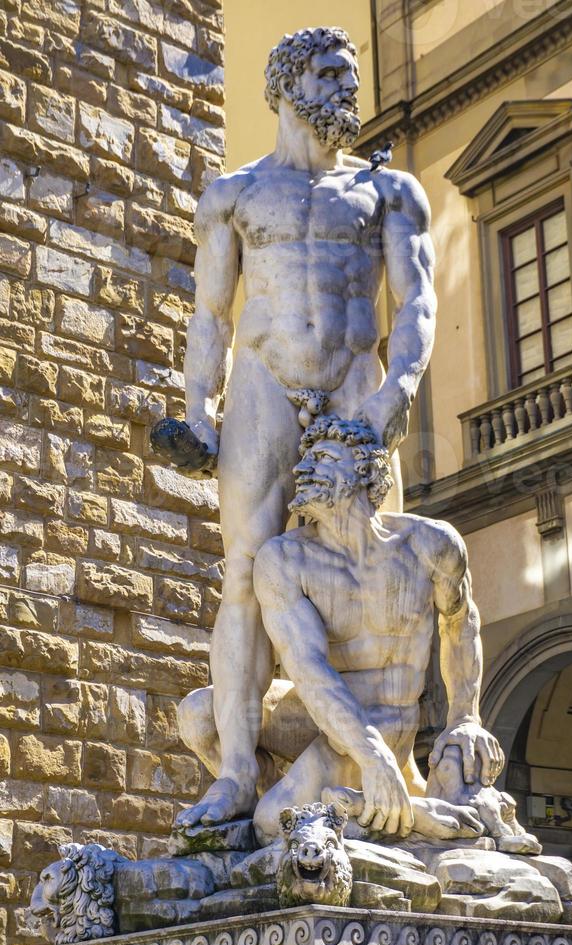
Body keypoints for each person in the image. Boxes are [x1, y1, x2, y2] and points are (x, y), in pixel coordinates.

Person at [178, 26, 437, 828]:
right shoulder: (233, 194)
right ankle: (231, 773)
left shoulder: (390, 193)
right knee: (246, 572)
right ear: (286, 86)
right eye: (329, 74)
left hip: (357, 383)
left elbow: (418, 302)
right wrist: (195, 408)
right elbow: (210, 317)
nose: (345, 90)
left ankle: (395, 757)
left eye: (349, 76)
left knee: (377, 561)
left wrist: (398, 392)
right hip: (263, 387)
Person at [178, 416, 504, 844]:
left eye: (325, 458)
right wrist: (370, 756)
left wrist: (465, 717)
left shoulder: (430, 545)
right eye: (306, 458)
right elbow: (308, 668)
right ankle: (360, 803)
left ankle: (387, 809)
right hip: (319, 709)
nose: (304, 469)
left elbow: (460, 624)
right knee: (199, 713)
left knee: (273, 821)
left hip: (387, 715)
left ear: (366, 472)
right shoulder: (285, 559)